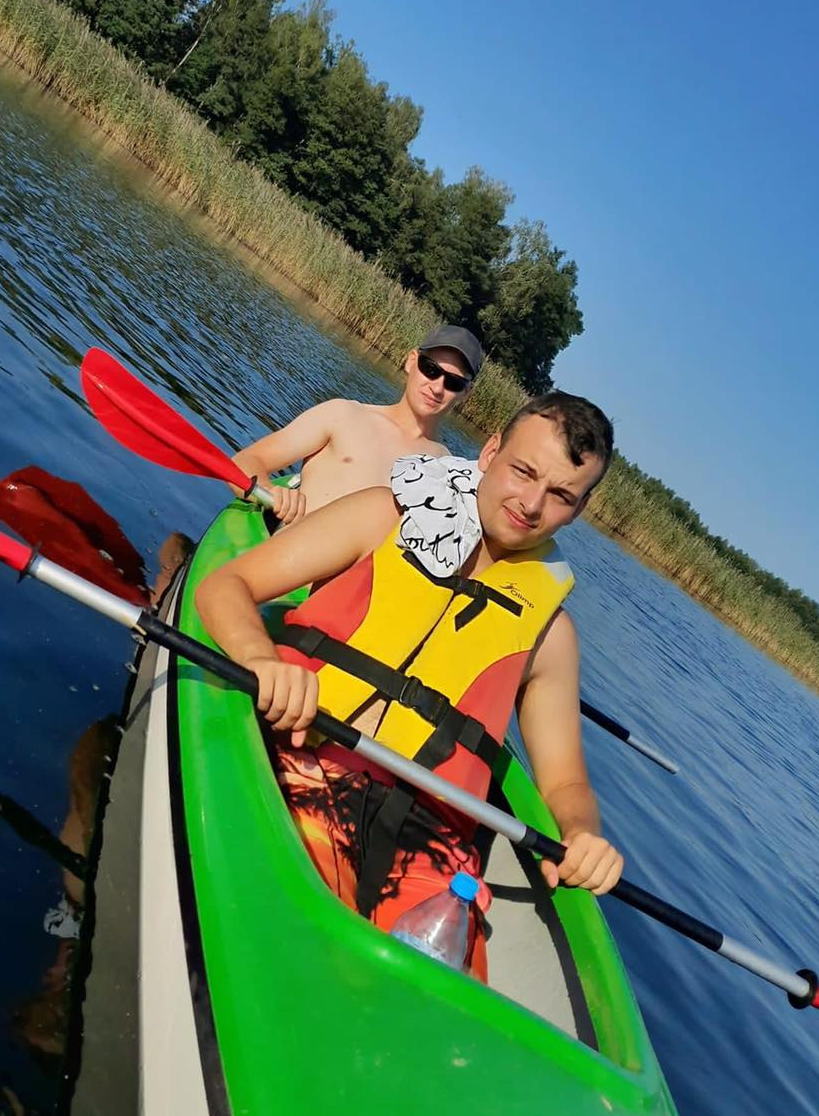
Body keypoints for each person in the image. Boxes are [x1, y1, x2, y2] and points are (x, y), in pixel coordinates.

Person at [196, 391, 623, 983]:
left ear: (578, 510)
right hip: (306, 764)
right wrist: (260, 660)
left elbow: (566, 782)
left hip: (430, 842)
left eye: (560, 496)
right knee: (286, 938)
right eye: (524, 472)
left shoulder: (550, 635)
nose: (531, 504)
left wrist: (583, 834)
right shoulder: (383, 516)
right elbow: (226, 587)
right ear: (491, 451)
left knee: (438, 993)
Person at [230, 325, 484, 523]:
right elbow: (246, 461)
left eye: (454, 382)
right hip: (286, 561)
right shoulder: (343, 415)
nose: (437, 387)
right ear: (411, 361)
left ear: (466, 393)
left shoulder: (447, 470)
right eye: (430, 369)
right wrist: (270, 491)